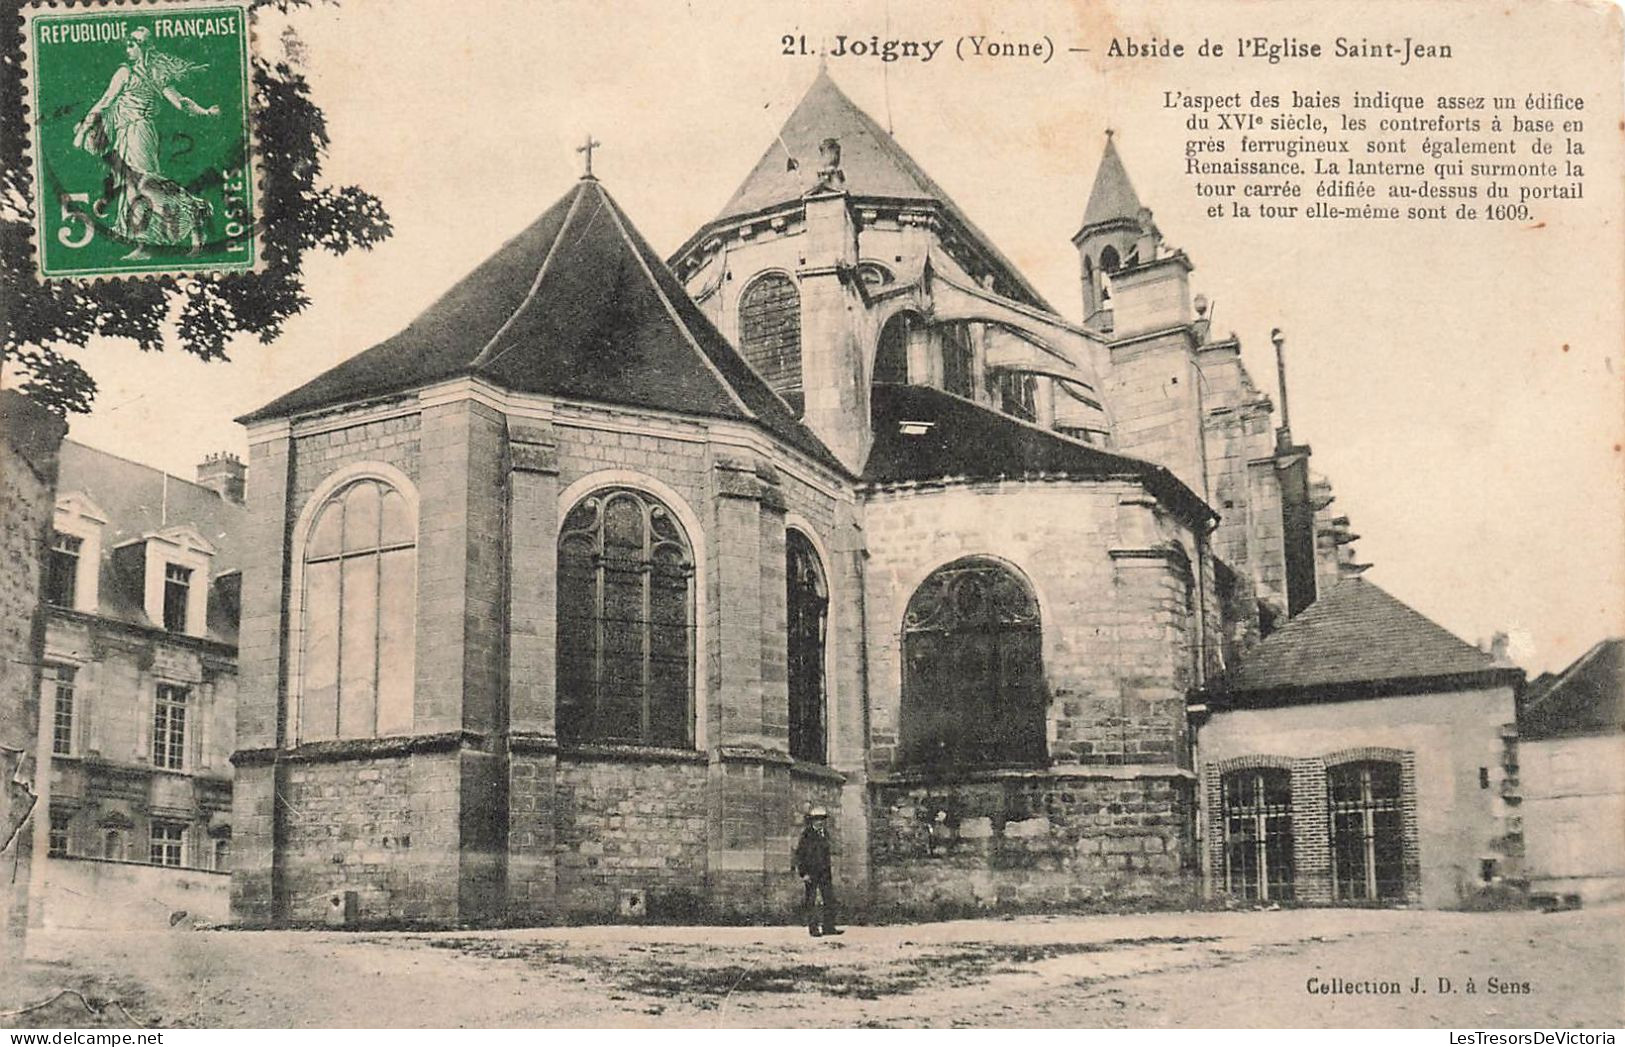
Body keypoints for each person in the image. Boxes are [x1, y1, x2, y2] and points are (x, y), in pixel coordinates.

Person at [73, 25, 219, 259]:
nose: (128, 49)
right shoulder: (126, 72)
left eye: (132, 44)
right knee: (132, 186)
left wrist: (204, 112)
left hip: (140, 132)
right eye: (127, 45)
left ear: (143, 48)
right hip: (125, 133)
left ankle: (193, 209)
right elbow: (106, 102)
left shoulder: (149, 74)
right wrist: (85, 129)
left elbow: (180, 101)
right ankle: (143, 241)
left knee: (142, 183)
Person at [793, 807, 841, 937]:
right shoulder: (807, 834)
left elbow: (826, 854)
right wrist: (804, 873)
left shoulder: (825, 833)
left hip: (824, 872)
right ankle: (813, 928)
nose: (819, 822)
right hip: (811, 872)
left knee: (829, 899)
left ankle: (829, 927)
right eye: (816, 819)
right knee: (811, 900)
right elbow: (800, 855)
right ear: (812, 821)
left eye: (821, 819)